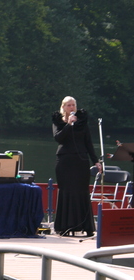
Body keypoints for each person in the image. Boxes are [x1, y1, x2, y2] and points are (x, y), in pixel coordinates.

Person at [52, 96, 102, 237]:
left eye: (73, 105)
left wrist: (95, 161)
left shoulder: (82, 121)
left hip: (81, 161)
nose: (72, 107)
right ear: (63, 107)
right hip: (64, 161)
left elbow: (88, 143)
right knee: (66, 192)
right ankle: (65, 226)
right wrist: (68, 124)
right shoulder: (58, 121)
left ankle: (85, 226)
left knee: (81, 192)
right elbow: (58, 138)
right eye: (69, 105)